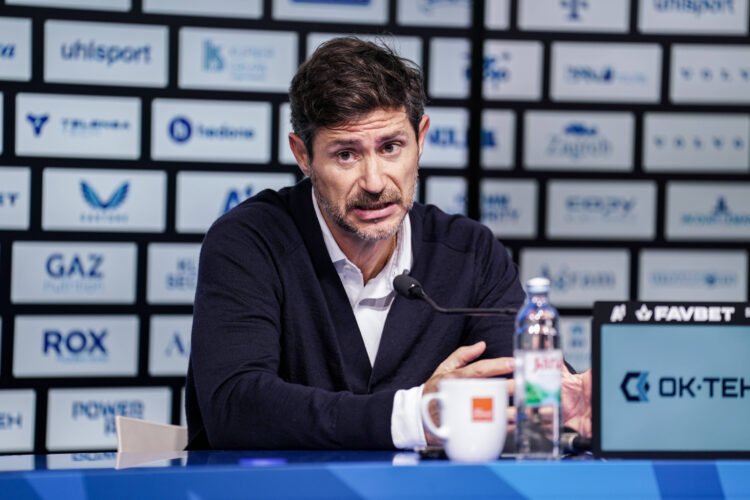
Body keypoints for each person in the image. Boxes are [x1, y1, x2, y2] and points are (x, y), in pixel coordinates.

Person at [185, 37, 590, 450]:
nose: (375, 182)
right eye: (346, 155)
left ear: (421, 137)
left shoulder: (469, 251)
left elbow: (514, 379)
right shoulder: (249, 242)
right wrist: (413, 416)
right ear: (303, 155)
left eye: (391, 147)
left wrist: (561, 402)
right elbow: (236, 408)